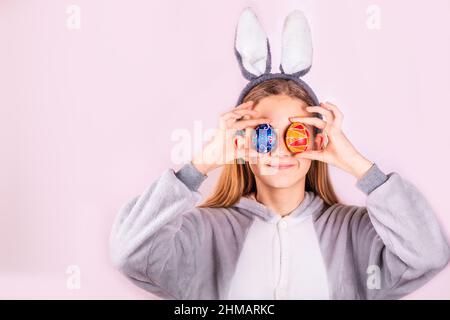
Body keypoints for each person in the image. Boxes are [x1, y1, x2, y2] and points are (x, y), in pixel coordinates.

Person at [109, 9, 450, 300]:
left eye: (297, 133)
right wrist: (202, 163)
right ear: (240, 143)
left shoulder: (355, 234)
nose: (282, 148)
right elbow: (129, 253)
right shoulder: (202, 233)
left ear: (318, 140)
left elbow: (429, 255)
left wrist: (359, 166)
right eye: (264, 134)